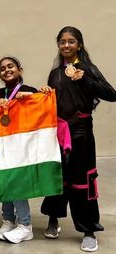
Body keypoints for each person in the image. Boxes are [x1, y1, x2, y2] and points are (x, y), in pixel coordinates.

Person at [40, 26, 116, 252]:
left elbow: (111, 94)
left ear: (79, 45)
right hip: (59, 133)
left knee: (82, 180)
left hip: (81, 133)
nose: (66, 45)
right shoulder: (55, 73)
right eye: (62, 42)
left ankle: (88, 230)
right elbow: (51, 103)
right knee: (58, 177)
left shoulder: (87, 69)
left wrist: (86, 80)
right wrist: (46, 93)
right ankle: (53, 220)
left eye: (71, 41)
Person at [0, 56, 37, 244]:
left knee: (16, 183)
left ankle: (25, 225)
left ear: (19, 70)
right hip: (1, 145)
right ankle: (8, 220)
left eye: (10, 66)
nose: (7, 70)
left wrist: (29, 98)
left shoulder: (29, 90)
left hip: (21, 146)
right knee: (5, 182)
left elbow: (40, 110)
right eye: (2, 68)